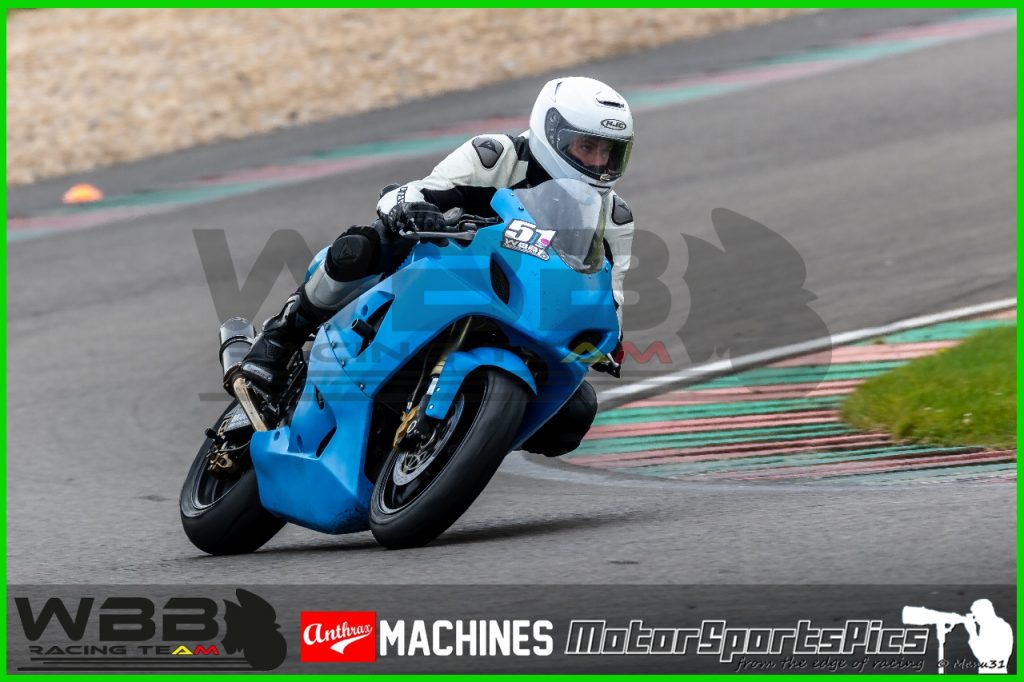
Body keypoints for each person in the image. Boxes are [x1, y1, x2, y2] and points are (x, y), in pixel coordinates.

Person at [240, 76, 636, 456]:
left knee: (574, 412)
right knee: (360, 248)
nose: (598, 161)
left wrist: (608, 339)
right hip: (449, 271)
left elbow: (608, 294)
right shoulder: (496, 155)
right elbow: (416, 192)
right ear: (552, 132)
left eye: (610, 152)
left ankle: (468, 437)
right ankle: (280, 339)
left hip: (525, 310)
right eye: (587, 146)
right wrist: (414, 209)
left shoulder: (614, 218)